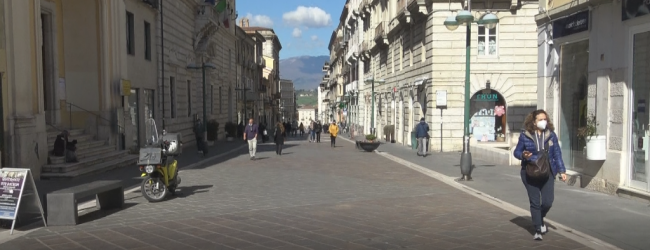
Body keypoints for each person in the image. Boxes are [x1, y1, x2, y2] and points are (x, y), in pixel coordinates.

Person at [513, 109, 567, 241]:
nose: (544, 122)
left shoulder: (551, 135)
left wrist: (562, 170)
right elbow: (516, 152)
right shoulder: (525, 135)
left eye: (545, 119)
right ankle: (537, 229)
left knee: (548, 201)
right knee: (535, 202)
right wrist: (523, 155)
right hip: (530, 172)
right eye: (540, 119)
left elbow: (557, 154)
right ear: (534, 122)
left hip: (547, 172)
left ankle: (539, 217)